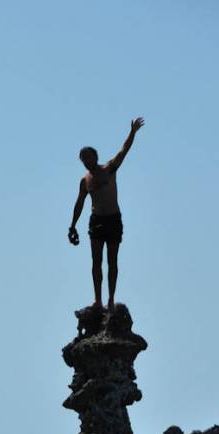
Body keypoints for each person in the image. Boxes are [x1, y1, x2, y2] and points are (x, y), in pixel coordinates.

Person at [68, 117, 145, 310]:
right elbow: (79, 203)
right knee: (96, 261)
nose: (86, 162)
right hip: (96, 220)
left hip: (112, 218)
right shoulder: (85, 181)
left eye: (89, 157)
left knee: (112, 260)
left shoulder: (109, 168)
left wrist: (132, 133)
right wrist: (73, 225)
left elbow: (123, 151)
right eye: (83, 159)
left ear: (95, 156)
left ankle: (110, 299)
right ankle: (98, 300)